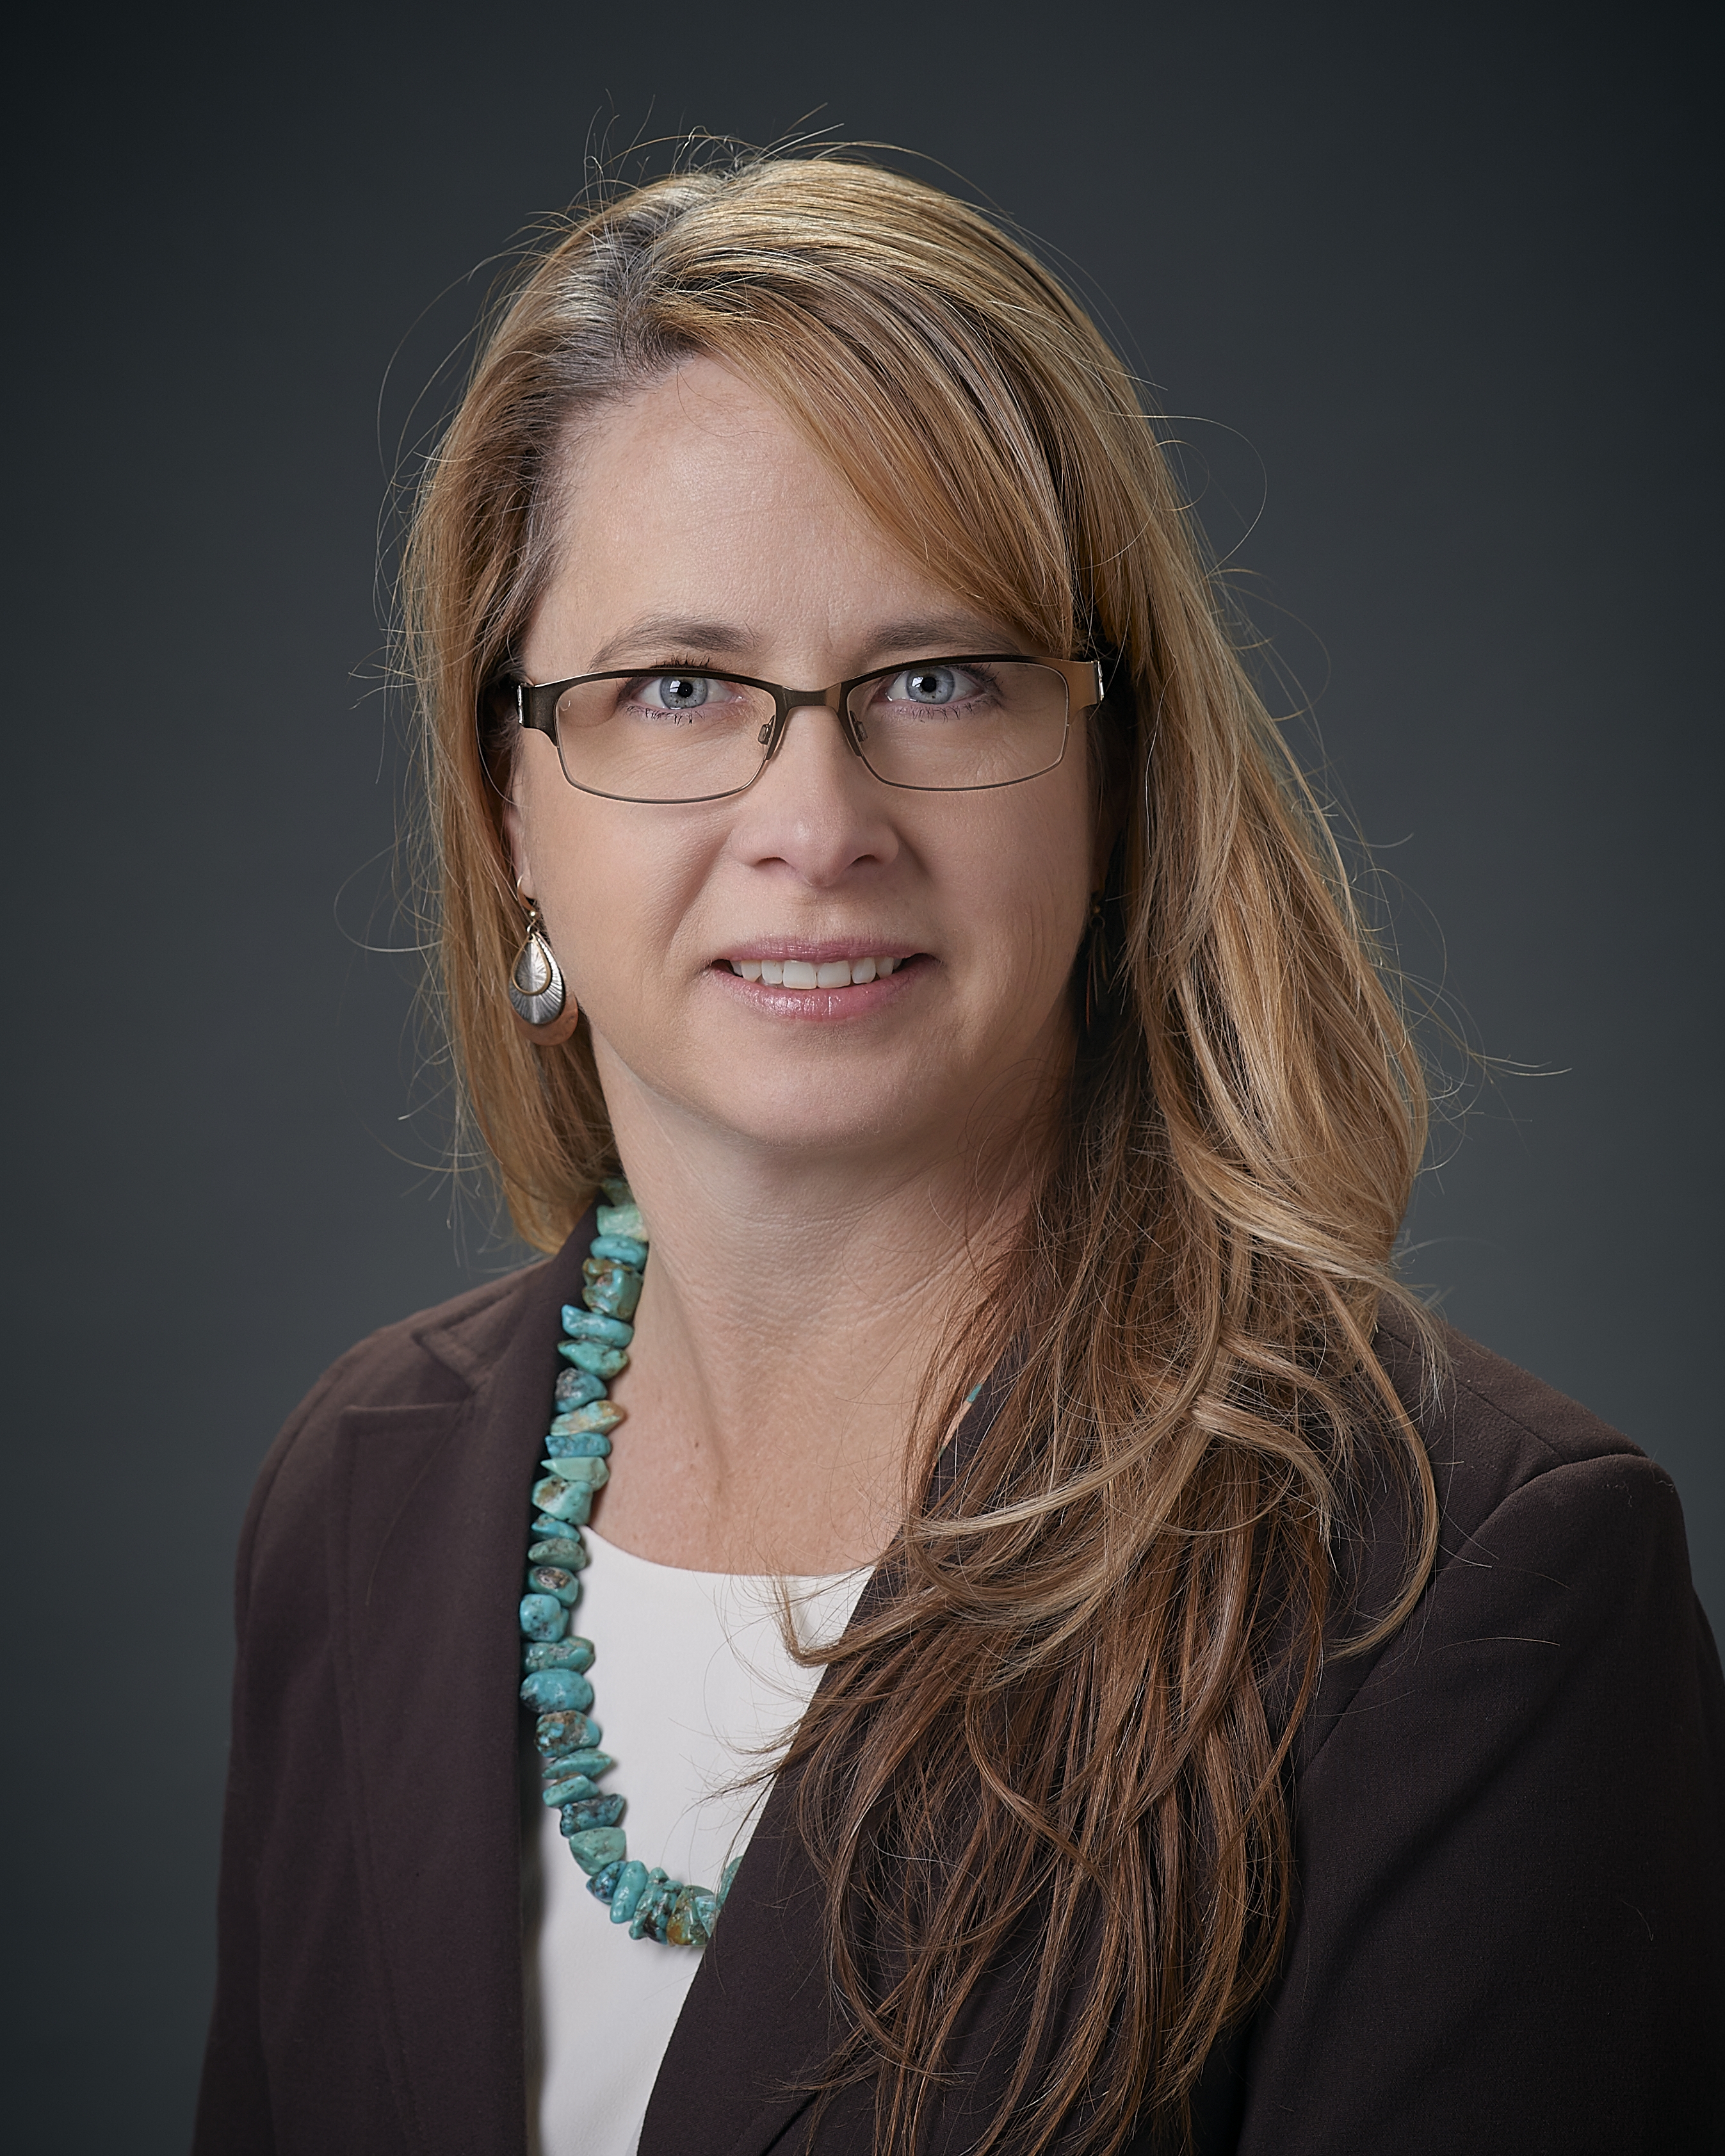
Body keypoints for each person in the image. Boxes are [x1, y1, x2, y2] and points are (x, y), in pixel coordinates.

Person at [192, 154, 1724, 2156]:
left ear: (1113, 776)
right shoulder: (359, 1496)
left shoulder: (1463, 1584)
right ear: (506, 808)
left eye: (938, 677)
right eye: (676, 687)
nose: (813, 820)